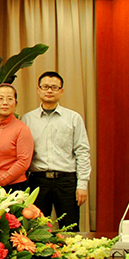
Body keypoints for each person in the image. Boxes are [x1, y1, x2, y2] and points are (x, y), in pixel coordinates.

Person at [21, 71, 91, 230]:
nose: (49, 91)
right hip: (37, 181)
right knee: (36, 231)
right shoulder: (27, 119)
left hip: (66, 181)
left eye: (54, 87)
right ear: (38, 90)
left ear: (61, 91)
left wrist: (82, 184)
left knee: (70, 230)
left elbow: (82, 152)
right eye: (45, 87)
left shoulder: (73, 118)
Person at [0, 84, 34, 192]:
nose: (5, 103)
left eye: (9, 99)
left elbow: (23, 162)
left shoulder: (22, 129)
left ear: (15, 103)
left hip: (15, 186)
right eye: (1, 98)